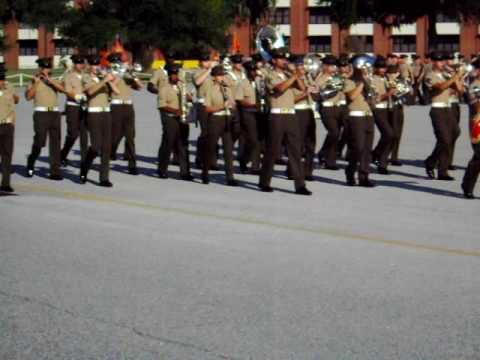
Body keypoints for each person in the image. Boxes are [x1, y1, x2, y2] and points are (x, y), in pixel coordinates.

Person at [258, 48, 311, 195]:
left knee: (296, 150)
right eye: (281, 59)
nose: (284, 61)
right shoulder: (269, 75)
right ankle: (264, 181)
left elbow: (300, 90)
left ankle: (300, 185)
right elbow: (279, 88)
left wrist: (298, 76)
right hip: (277, 116)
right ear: (274, 60)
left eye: (285, 59)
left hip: (291, 114)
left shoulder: (288, 75)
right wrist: (294, 75)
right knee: (273, 150)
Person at [80, 55, 120, 187]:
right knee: (96, 146)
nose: (95, 67)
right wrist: (103, 81)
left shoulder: (102, 77)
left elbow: (117, 91)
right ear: (89, 66)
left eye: (97, 65)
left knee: (106, 147)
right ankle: (85, 167)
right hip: (94, 113)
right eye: (93, 65)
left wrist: (108, 80)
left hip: (106, 113)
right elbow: (90, 92)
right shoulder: (85, 77)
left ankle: (104, 178)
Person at [424, 51, 463, 181]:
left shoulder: (446, 74)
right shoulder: (430, 75)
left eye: (443, 61)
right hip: (437, 110)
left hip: (448, 108)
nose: (442, 63)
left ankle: (433, 162)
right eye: (440, 61)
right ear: (434, 62)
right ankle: (441, 170)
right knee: (445, 140)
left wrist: (457, 77)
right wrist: (454, 76)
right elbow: (440, 87)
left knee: (455, 133)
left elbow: (460, 90)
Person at [25, 57, 66, 180]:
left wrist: (50, 80)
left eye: (48, 68)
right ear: (40, 68)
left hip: (54, 113)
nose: (45, 70)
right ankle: (31, 160)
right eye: (43, 68)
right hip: (41, 114)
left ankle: (55, 172)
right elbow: (28, 97)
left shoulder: (54, 80)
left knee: (55, 143)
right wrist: (37, 82)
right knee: (40, 141)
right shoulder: (33, 81)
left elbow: (63, 90)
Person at [201, 65, 238, 186]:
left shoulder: (227, 89)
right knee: (211, 147)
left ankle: (230, 177)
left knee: (228, 150)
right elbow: (207, 108)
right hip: (215, 119)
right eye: (220, 75)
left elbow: (232, 104)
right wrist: (223, 106)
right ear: (215, 77)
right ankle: (205, 172)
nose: (223, 77)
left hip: (227, 119)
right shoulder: (210, 90)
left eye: (224, 75)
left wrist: (232, 106)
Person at [342, 55, 376, 187]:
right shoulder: (349, 81)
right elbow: (351, 96)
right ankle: (350, 170)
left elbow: (373, 102)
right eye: (365, 67)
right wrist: (362, 83)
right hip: (355, 117)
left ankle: (364, 176)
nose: (367, 70)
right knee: (358, 147)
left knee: (367, 149)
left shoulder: (369, 82)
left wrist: (374, 96)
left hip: (368, 116)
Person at [157, 63, 194, 181]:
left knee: (183, 144)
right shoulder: (164, 88)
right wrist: (175, 110)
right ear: (169, 75)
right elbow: (161, 106)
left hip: (182, 118)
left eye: (176, 74)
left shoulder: (181, 86)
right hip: (170, 118)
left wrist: (189, 99)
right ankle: (162, 169)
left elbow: (188, 98)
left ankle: (185, 172)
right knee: (168, 144)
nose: (175, 76)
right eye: (173, 74)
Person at [108, 52, 142, 175]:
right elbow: (113, 86)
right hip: (116, 105)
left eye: (119, 62)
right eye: (115, 62)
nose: (118, 64)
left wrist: (133, 75)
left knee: (130, 135)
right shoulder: (108, 74)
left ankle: (132, 165)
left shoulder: (126, 74)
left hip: (128, 105)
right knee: (115, 135)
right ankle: (111, 152)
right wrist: (120, 73)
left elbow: (139, 87)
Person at [315, 55, 342, 170]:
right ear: (325, 66)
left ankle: (330, 161)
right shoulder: (320, 78)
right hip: (326, 108)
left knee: (337, 134)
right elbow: (319, 93)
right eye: (331, 65)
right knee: (334, 132)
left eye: (334, 65)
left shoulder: (337, 77)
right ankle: (323, 152)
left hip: (338, 108)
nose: (334, 68)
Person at [60, 54, 88, 166]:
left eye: (82, 63)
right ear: (74, 64)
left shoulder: (86, 75)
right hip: (72, 106)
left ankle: (84, 160)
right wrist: (77, 97)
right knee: (73, 134)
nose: (80, 65)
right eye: (78, 63)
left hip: (85, 106)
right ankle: (62, 154)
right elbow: (67, 90)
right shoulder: (68, 76)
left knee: (84, 134)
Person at [291, 55, 316, 180]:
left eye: (303, 65)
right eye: (299, 65)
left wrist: (316, 91)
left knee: (311, 143)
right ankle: (292, 170)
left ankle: (308, 171)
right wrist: (306, 92)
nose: (303, 68)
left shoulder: (307, 77)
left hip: (308, 110)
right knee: (297, 143)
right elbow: (293, 98)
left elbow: (314, 93)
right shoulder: (291, 79)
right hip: (297, 111)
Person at [236, 60, 262, 174]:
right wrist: (252, 104)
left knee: (256, 140)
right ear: (246, 71)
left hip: (258, 113)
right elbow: (239, 100)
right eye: (251, 70)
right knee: (254, 140)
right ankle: (255, 167)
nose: (253, 72)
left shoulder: (257, 82)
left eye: (254, 70)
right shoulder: (242, 83)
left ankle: (243, 159)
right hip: (247, 112)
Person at [371, 57, 395, 174]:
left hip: (389, 108)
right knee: (388, 134)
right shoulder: (372, 80)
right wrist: (388, 93)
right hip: (378, 109)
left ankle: (382, 162)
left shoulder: (386, 78)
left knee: (391, 135)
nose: (382, 70)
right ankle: (376, 154)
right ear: (375, 68)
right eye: (380, 68)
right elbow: (376, 98)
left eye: (384, 67)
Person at [462, 58, 480, 199]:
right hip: (478, 125)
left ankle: (466, 184)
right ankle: (467, 185)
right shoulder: (474, 86)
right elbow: (475, 106)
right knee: (479, 157)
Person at [0, 63, 19, 192]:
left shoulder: (10, 87)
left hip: (7, 125)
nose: (3, 81)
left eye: (3, 78)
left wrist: (12, 122)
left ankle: (5, 183)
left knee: (7, 155)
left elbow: (15, 101)